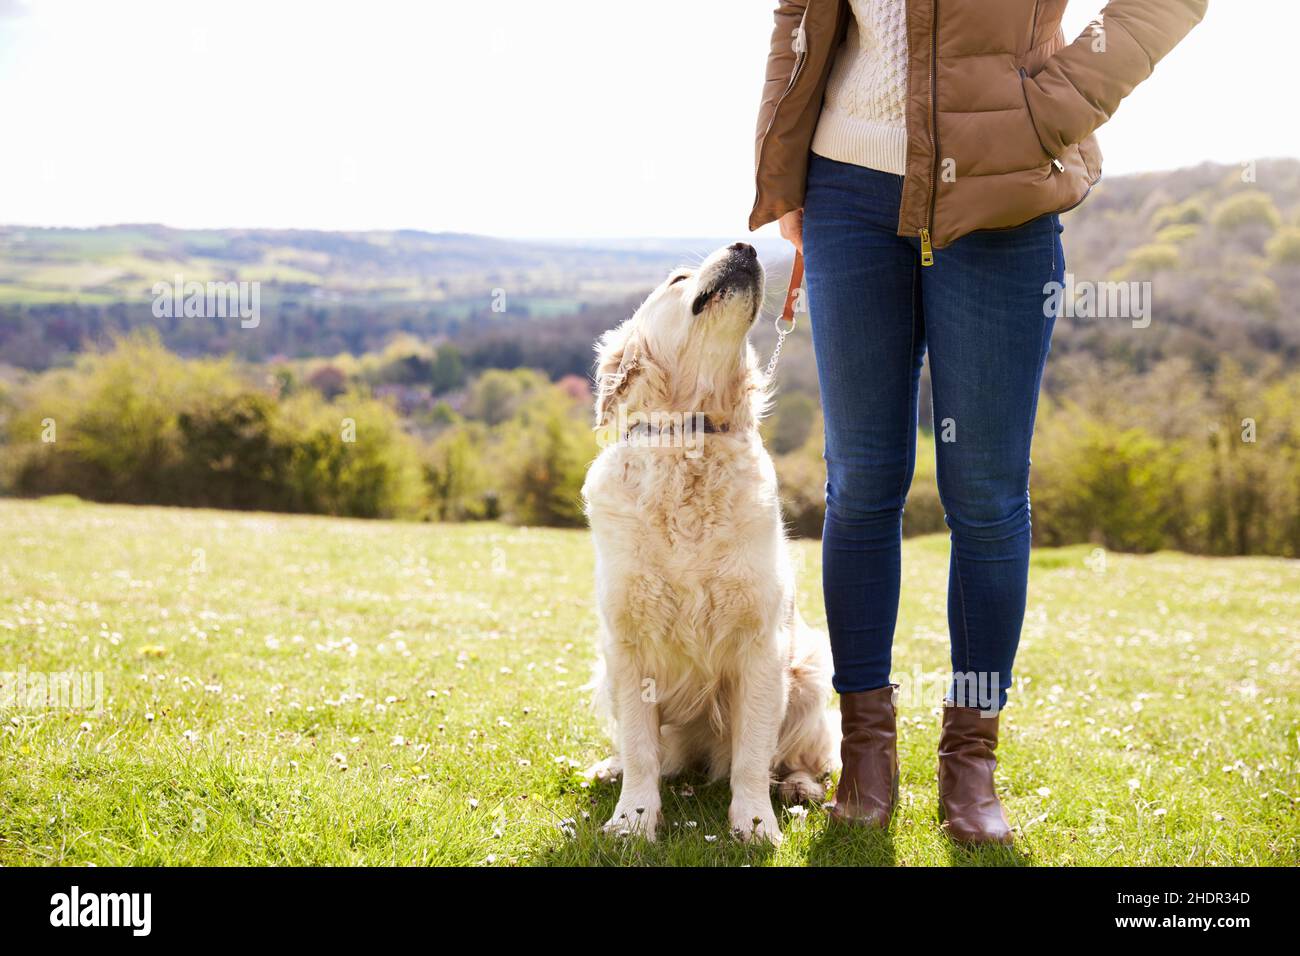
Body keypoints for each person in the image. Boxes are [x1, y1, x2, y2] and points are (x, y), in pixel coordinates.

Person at [751, 0, 1207, 844]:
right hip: (849, 192)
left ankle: (971, 764)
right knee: (860, 483)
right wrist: (782, 169)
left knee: (988, 497)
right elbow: (800, 16)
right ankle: (868, 754)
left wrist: (1049, 109)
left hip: (1001, 190)